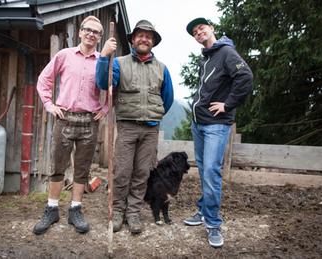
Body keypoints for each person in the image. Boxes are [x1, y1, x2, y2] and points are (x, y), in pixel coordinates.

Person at [96, 20, 174, 234]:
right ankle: (118, 211)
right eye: (140, 35)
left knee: (142, 173)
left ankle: (133, 212)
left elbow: (167, 99)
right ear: (132, 39)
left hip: (150, 129)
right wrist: (104, 57)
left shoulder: (162, 69)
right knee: (122, 171)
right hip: (127, 127)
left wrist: (151, 114)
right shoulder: (119, 62)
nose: (144, 39)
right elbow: (104, 84)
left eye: (148, 36)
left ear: (153, 42)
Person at [33, 15, 108, 235]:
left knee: (82, 170)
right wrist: (49, 104)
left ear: (100, 38)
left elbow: (114, 89)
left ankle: (75, 210)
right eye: (88, 30)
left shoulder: (102, 62)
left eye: (96, 32)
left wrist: (104, 109)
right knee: (57, 166)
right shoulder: (64, 55)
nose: (91, 34)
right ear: (80, 32)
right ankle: (52, 209)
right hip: (64, 118)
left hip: (89, 122)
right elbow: (44, 79)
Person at [183, 17, 253, 247]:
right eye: (195, 32)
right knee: (204, 170)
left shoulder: (226, 53)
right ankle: (203, 211)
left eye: (201, 28)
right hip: (199, 124)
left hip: (216, 124)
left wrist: (228, 104)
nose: (198, 32)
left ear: (211, 28)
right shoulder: (207, 58)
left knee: (212, 172)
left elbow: (245, 77)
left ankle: (213, 224)